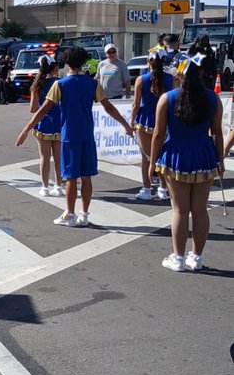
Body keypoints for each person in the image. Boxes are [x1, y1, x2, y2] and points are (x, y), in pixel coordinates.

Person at [15, 46, 133, 227]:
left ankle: (70, 214)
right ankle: (84, 215)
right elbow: (108, 107)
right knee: (87, 177)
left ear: (66, 63)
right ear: (84, 62)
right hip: (87, 135)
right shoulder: (92, 84)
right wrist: (125, 125)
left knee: (70, 177)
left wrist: (25, 130)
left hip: (69, 135)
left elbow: (43, 110)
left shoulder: (60, 84)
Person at [150, 54, 224, 271]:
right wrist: (220, 160)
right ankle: (197, 257)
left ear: (178, 74)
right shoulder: (213, 98)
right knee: (200, 209)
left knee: (180, 210)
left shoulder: (167, 98)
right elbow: (217, 133)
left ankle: (179, 258)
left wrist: (152, 162)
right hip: (204, 155)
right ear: (201, 73)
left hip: (176, 155)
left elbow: (158, 133)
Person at [130, 53, 173, 200]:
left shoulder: (141, 79)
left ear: (148, 61)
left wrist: (131, 121)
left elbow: (136, 104)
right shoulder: (170, 78)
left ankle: (147, 189)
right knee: (162, 156)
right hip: (164, 120)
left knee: (146, 158)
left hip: (145, 121)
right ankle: (163, 189)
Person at [28, 57, 62, 196]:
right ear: (54, 68)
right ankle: (58, 186)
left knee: (44, 157)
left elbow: (32, 109)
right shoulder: (60, 83)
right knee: (59, 158)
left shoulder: (37, 85)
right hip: (59, 122)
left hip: (43, 123)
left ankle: (45, 187)